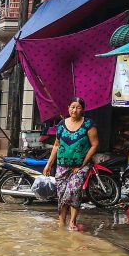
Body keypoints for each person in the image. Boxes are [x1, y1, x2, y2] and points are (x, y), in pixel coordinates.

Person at [43, 96, 99, 231]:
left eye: (78, 107)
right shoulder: (61, 124)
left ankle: (72, 221)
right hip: (62, 165)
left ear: (83, 110)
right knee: (62, 193)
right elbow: (56, 145)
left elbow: (95, 145)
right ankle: (61, 221)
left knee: (73, 191)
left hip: (80, 166)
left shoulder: (88, 125)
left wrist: (82, 164)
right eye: (72, 107)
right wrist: (49, 164)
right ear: (68, 108)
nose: (75, 110)